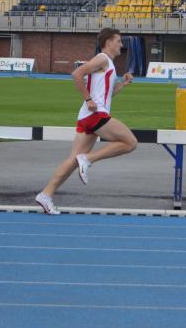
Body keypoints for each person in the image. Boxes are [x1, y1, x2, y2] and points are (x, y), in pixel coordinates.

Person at [35, 28, 136, 215]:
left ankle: (45, 194)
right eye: (119, 41)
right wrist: (88, 99)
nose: (121, 45)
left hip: (87, 116)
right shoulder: (102, 59)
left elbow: (106, 95)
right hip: (95, 114)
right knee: (130, 142)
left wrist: (122, 84)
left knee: (73, 159)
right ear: (109, 42)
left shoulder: (108, 63)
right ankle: (88, 159)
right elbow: (77, 74)